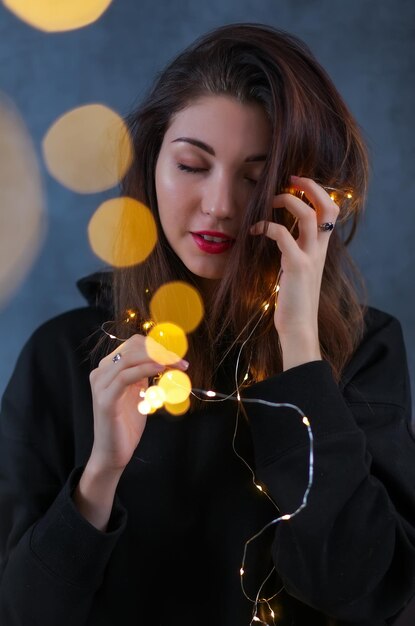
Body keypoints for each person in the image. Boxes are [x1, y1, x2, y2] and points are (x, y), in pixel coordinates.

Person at [0, 22, 414, 626]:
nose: (220, 203)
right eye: (193, 165)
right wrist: (99, 475)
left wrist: (300, 351)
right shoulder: (66, 354)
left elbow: (363, 592)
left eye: (257, 176)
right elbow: (22, 613)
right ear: (152, 165)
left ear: (307, 195)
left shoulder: (364, 351)